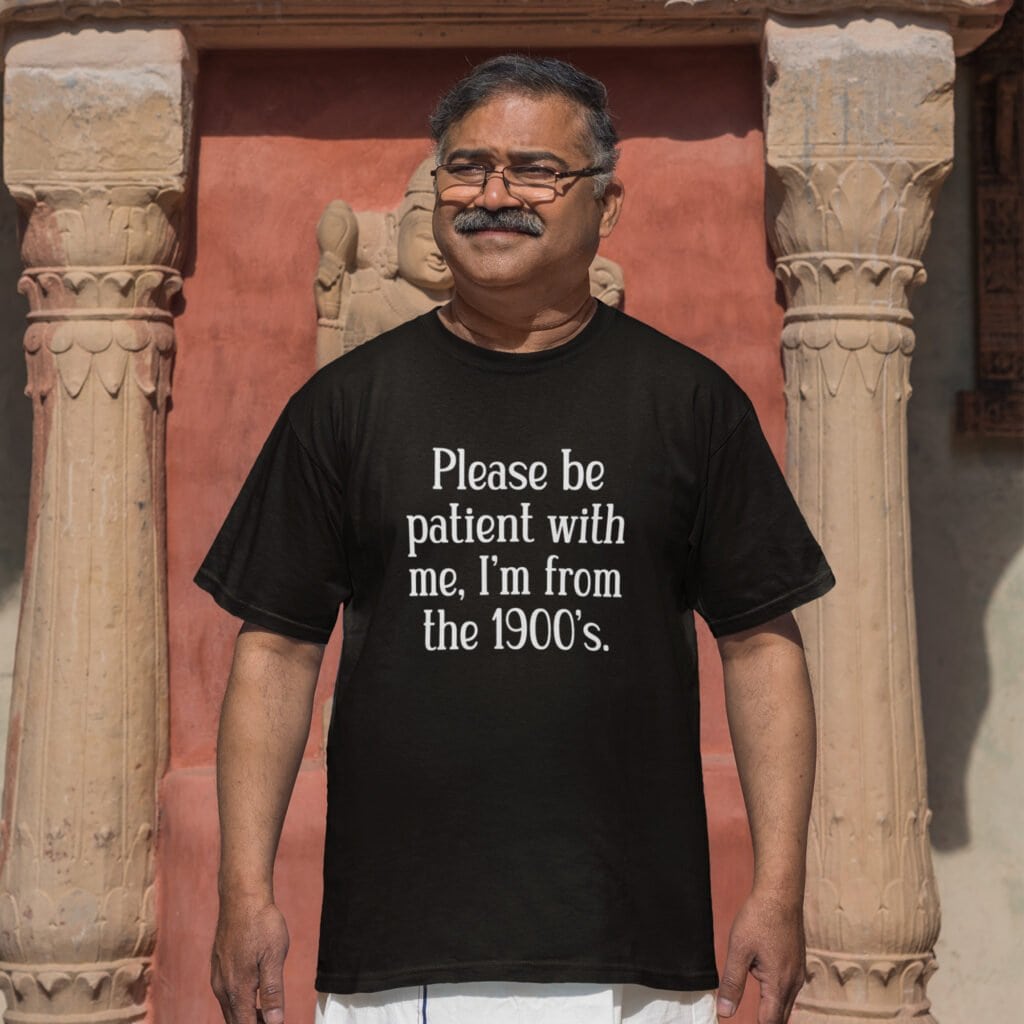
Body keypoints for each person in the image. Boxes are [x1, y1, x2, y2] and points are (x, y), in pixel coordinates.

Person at [196, 55, 835, 1024]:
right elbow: (277, 650)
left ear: (606, 206)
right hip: (400, 956)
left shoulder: (689, 403)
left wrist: (779, 890)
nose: (495, 194)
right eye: (467, 167)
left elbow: (759, 645)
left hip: (635, 954)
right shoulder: (345, 406)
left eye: (535, 169)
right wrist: (244, 893)